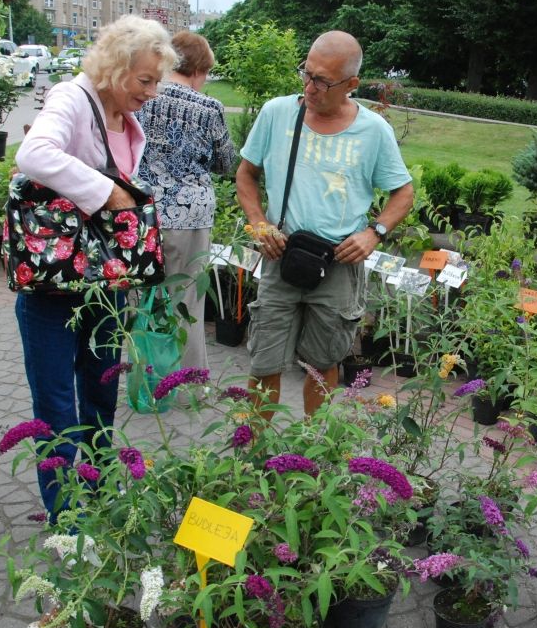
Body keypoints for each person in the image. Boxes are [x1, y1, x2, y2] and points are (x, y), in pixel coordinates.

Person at [14, 15, 176, 517]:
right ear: (114, 67)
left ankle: (101, 495)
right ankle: (66, 517)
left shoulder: (124, 116)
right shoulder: (72, 96)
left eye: (157, 81)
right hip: (54, 289)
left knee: (102, 397)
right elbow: (33, 154)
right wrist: (106, 192)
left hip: (105, 286)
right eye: (145, 80)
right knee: (57, 408)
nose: (152, 92)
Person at [236, 30, 414, 418]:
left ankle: (310, 457)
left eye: (322, 81)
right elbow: (246, 174)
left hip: (338, 264)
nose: (310, 87)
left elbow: (403, 194)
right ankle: (251, 456)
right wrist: (259, 223)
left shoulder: (373, 131)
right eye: (307, 73)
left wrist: (374, 233)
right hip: (280, 254)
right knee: (264, 363)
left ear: (351, 85)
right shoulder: (277, 113)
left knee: (323, 365)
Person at [137, 31, 236, 371]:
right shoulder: (208, 107)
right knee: (189, 299)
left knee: (148, 296)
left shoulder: (143, 96)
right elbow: (226, 162)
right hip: (191, 215)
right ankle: (191, 378)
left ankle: (148, 375)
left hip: (145, 213)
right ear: (198, 69)